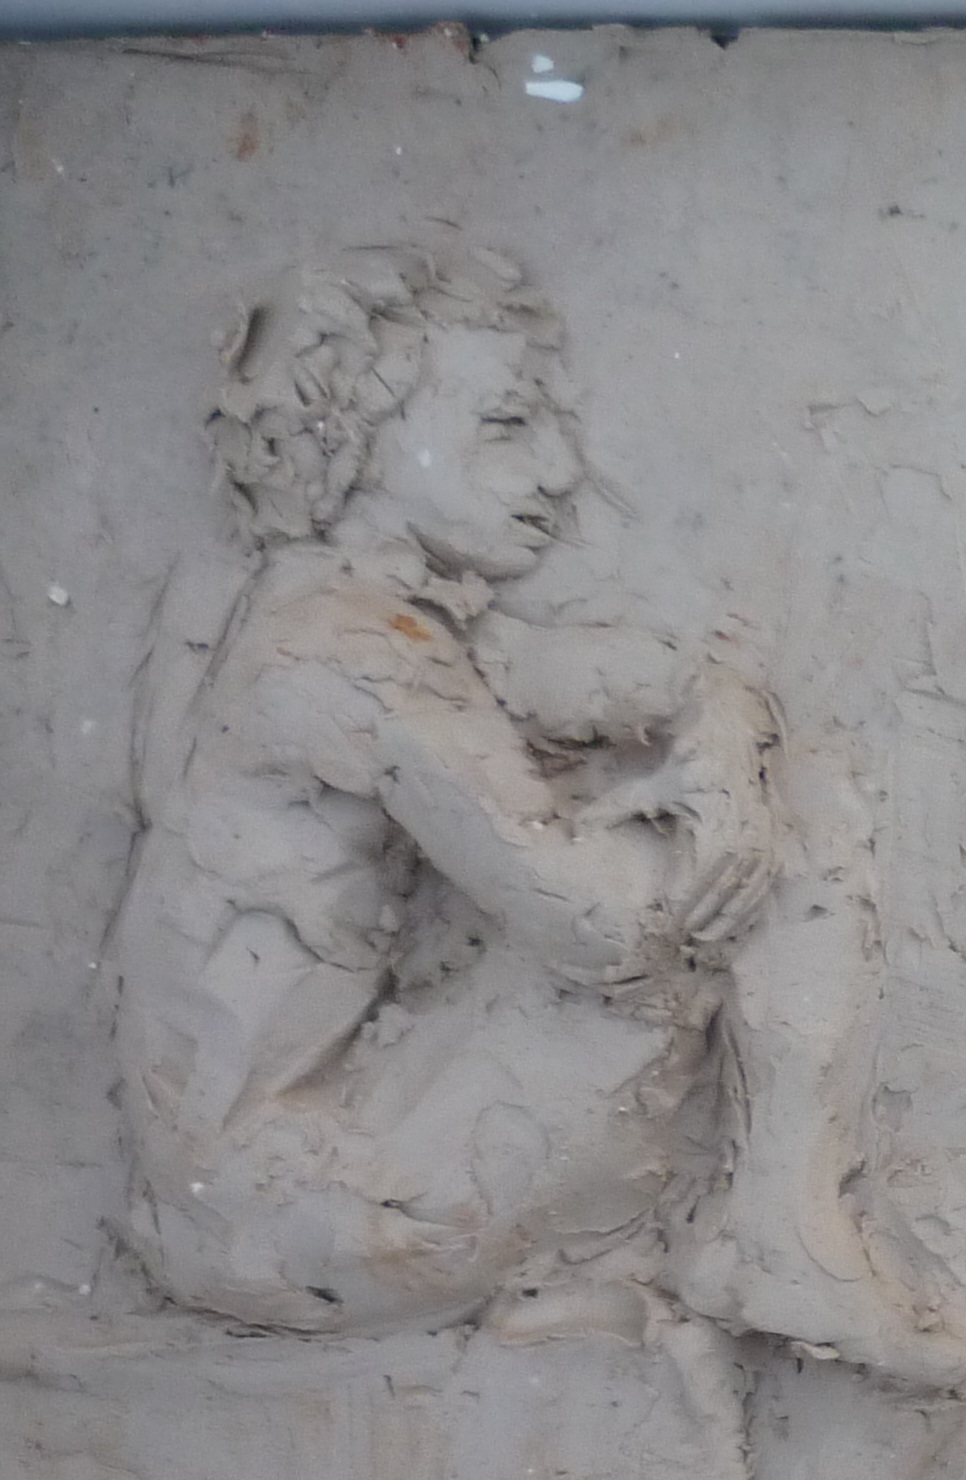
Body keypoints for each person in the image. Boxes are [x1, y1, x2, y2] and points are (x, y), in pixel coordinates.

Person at [114, 248, 777, 1335]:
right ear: (360, 442)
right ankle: (779, 1231)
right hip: (309, 1214)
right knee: (742, 882)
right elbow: (599, 928)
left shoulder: (323, 601)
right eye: (507, 424)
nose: (561, 469)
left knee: (721, 832)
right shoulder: (348, 653)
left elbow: (629, 679)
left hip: (273, 1178)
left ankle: (780, 1224)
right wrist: (722, 808)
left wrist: (725, 734)